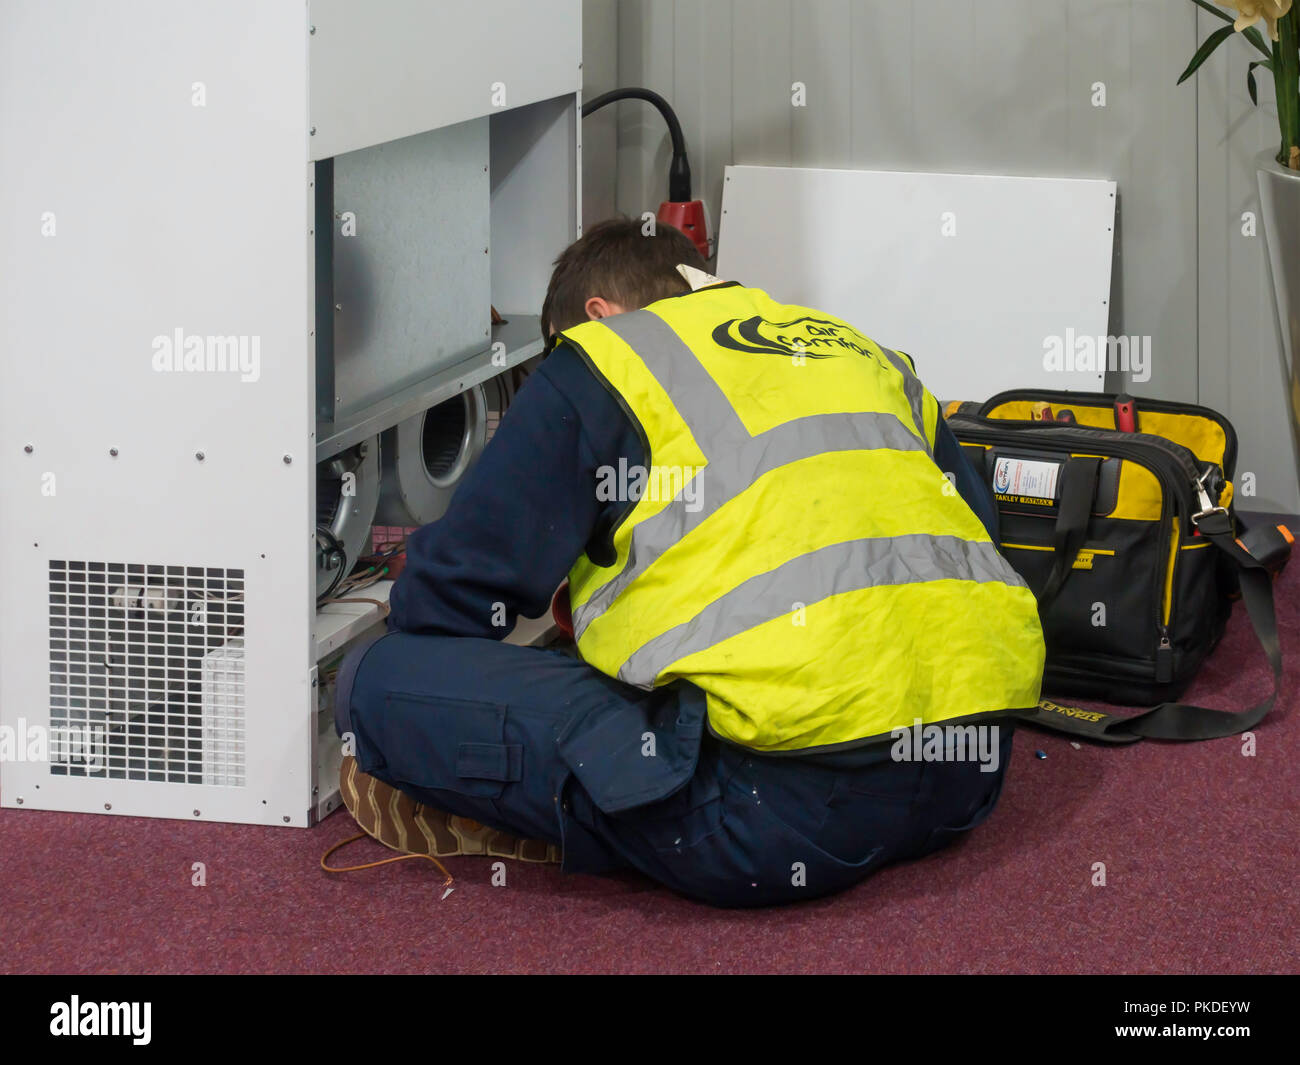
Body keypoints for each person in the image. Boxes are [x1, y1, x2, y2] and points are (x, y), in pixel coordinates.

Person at [333, 217, 1045, 907]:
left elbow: (446, 598)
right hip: (969, 774)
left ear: (595, 314)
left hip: (773, 816)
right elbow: (972, 537)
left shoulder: (606, 356)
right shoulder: (861, 350)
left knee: (378, 679)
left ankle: (572, 818)